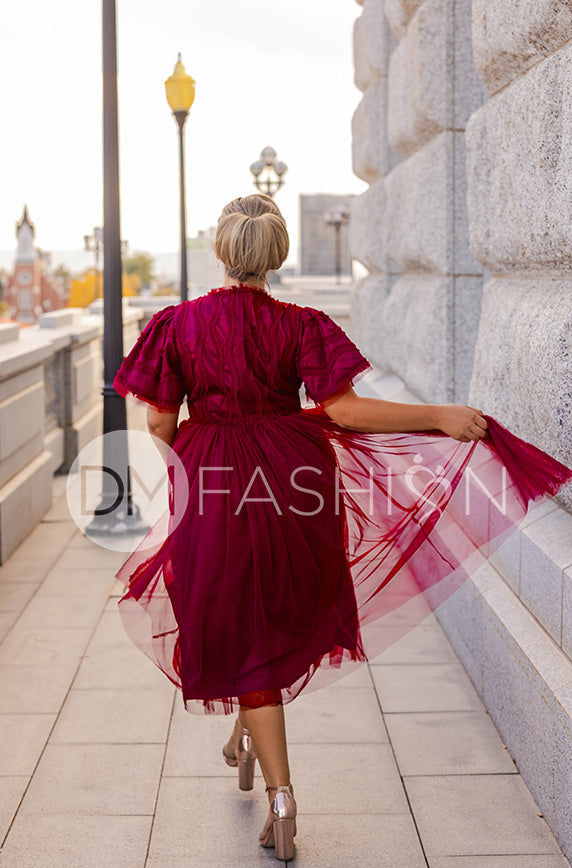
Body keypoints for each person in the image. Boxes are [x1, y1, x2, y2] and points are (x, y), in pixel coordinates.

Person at [112, 193, 571, 863]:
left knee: (233, 620)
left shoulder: (176, 324)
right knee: (270, 617)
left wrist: (192, 450)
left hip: (214, 480)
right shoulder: (302, 324)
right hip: (295, 481)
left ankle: (281, 795)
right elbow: (348, 413)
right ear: (276, 256)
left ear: (220, 249)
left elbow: (155, 422)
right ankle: (247, 738)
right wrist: (438, 416)